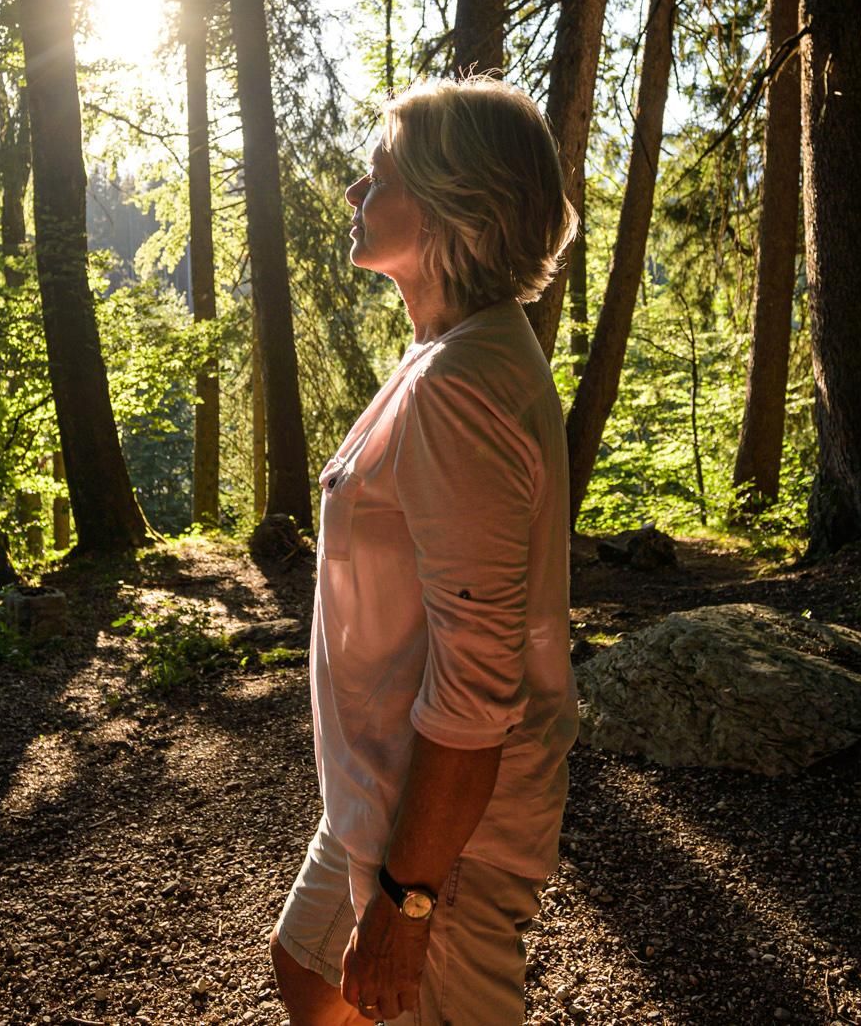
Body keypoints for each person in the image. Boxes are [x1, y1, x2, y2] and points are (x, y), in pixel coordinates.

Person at [270, 75, 581, 1025]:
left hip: (441, 831)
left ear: (454, 202)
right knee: (309, 966)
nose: (355, 196)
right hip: (382, 791)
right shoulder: (455, 354)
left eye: (378, 176)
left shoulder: (461, 390)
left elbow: (478, 688)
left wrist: (409, 902)